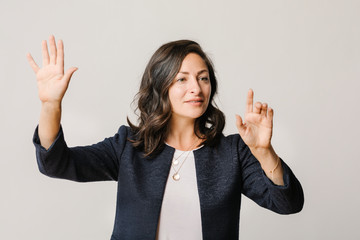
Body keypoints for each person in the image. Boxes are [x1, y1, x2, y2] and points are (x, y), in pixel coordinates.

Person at [27, 35, 304, 240]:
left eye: (203, 78)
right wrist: (51, 105)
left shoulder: (233, 152)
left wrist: (264, 151)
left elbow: (288, 204)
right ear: (161, 87)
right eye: (182, 79)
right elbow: (56, 163)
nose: (196, 87)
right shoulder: (129, 146)